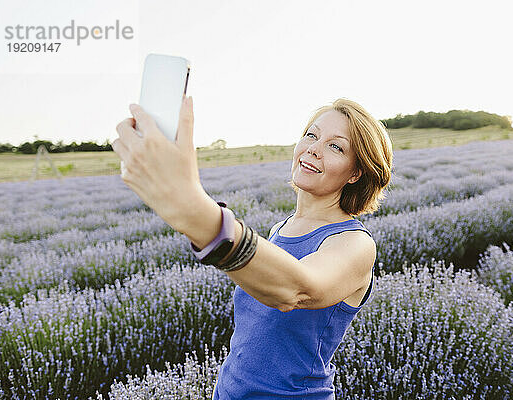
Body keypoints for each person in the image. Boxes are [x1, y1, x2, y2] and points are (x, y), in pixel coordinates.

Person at [113, 96, 393, 399]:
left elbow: (296, 289)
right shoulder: (280, 230)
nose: (313, 148)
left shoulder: (355, 244)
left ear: (356, 173)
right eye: (311, 135)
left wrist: (196, 212)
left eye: (335, 146)